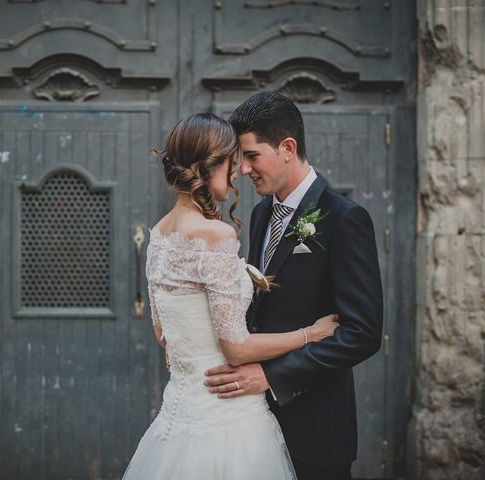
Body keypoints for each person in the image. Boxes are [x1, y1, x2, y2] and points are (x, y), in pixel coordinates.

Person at [122, 112, 339, 480]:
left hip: (181, 411)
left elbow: (164, 336)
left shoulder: (158, 236)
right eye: (232, 163)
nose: (238, 173)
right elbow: (236, 349)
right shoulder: (215, 235)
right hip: (227, 416)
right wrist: (311, 334)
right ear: (210, 165)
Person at [203, 91, 384, 480]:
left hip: (316, 426)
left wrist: (271, 378)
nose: (244, 169)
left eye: (251, 156)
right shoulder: (259, 213)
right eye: (240, 159)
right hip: (252, 424)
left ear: (288, 147)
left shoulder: (344, 218)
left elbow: (362, 333)